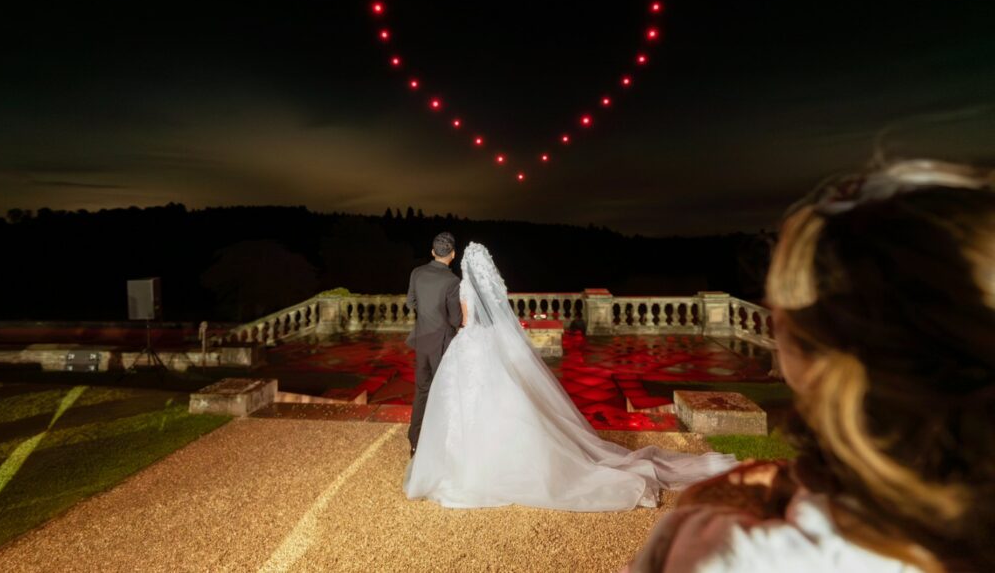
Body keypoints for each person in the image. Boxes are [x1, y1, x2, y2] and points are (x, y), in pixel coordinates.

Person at [625, 159, 995, 572]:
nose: (767, 308)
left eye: (777, 301)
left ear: (814, 347)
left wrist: (695, 509)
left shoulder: (724, 554)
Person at [403, 241, 736, 511]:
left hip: (467, 347)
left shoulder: (461, 288)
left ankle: (463, 463)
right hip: (485, 347)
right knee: (497, 401)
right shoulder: (480, 290)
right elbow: (491, 318)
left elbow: (464, 321)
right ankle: (500, 460)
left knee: (459, 402)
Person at [406, 232, 462, 457]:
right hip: (442, 344)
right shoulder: (452, 281)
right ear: (453, 255)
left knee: (421, 390)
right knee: (442, 392)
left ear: (432, 252)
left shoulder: (416, 273)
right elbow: (456, 320)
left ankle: (415, 441)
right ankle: (438, 443)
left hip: (422, 342)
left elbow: (411, 302)